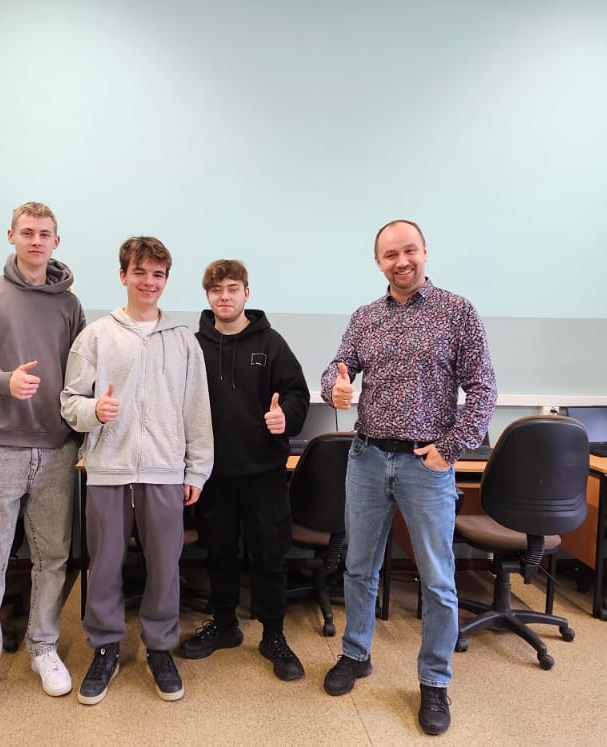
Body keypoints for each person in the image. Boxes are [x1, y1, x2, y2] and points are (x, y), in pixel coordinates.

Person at [318, 219, 496, 736]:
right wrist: (334, 388)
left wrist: (450, 448)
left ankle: (434, 681)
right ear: (379, 263)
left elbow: (483, 388)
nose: (401, 261)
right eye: (391, 255)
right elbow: (337, 368)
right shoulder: (365, 317)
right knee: (359, 568)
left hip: (426, 465)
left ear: (424, 252)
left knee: (437, 580)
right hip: (368, 458)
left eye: (409, 251)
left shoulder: (457, 312)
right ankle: (356, 654)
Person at [0, 202, 86, 720]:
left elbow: (82, 373)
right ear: (11, 236)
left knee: (53, 558)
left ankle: (43, 647)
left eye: (45, 233)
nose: (36, 240)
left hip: (56, 450)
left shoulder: (70, 305)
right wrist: (2, 382)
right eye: (27, 232)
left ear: (56, 241)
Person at [60, 236, 214, 705]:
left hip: (165, 471)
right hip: (108, 468)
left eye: (158, 274)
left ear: (166, 280)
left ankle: (159, 648)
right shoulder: (95, 336)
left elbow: (197, 410)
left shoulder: (183, 341)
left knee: (165, 565)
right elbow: (70, 402)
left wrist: (196, 471)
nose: (149, 281)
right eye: (140, 272)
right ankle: (105, 647)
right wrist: (94, 411)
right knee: (105, 564)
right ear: (123, 275)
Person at [179, 259, 310, 681]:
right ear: (207, 296)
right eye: (217, 290)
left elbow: (296, 394)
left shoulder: (271, 343)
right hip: (213, 475)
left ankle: (273, 635)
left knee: (270, 555)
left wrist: (286, 417)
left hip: (263, 474)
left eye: (233, 288)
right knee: (218, 554)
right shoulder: (192, 346)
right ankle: (224, 626)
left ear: (246, 293)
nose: (225, 297)